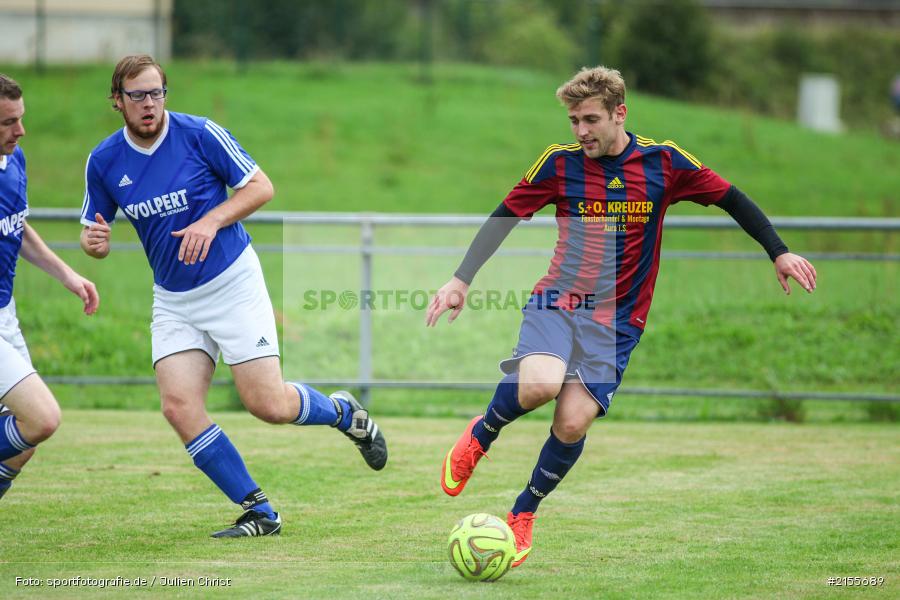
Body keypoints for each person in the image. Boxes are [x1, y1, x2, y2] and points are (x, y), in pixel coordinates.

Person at [426, 66, 817, 567]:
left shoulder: (665, 162)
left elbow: (732, 199)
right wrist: (460, 280)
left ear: (619, 113)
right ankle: (482, 434)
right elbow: (505, 215)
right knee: (541, 384)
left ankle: (523, 511)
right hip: (559, 302)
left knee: (572, 423)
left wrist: (778, 251)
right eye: (574, 121)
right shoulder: (558, 164)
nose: (581, 131)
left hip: (617, 323)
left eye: (590, 119)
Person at [79, 55, 387, 538]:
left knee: (269, 405)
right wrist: (93, 244)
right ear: (117, 100)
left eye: (157, 92)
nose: (149, 104)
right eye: (137, 95)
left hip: (232, 285)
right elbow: (92, 233)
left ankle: (344, 413)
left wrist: (211, 220)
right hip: (174, 299)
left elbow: (261, 187)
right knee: (178, 407)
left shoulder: (200, 134)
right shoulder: (104, 160)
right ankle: (260, 511)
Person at [0, 74, 100, 500]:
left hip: (6, 314)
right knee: (41, 418)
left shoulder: (14, 161)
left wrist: (67, 275)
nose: (20, 131)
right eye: (8, 122)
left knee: (23, 442)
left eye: (20, 118)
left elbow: (16, 227)